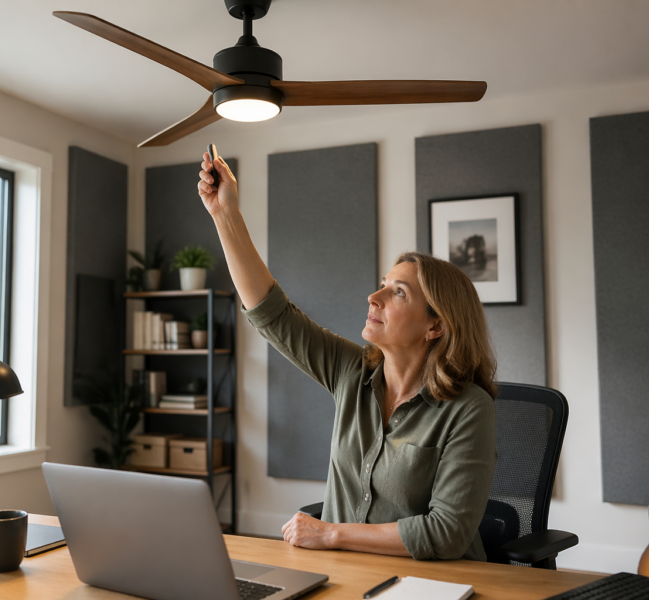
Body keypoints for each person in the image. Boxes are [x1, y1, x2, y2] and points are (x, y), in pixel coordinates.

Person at [198, 150, 497, 561]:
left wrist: (331, 534)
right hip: (345, 574)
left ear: (436, 326)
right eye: (382, 284)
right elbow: (272, 315)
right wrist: (224, 214)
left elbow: (445, 534)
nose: (373, 297)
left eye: (398, 293)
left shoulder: (469, 410)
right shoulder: (350, 371)